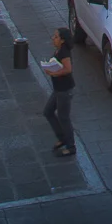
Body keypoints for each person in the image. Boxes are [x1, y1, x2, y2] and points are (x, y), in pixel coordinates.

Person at [42, 28, 76, 157]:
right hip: (58, 89)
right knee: (48, 112)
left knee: (64, 118)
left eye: (56, 37)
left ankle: (71, 146)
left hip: (64, 90)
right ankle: (62, 138)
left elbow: (68, 69)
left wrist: (54, 73)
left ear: (62, 40)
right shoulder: (59, 50)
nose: (53, 38)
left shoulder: (64, 52)